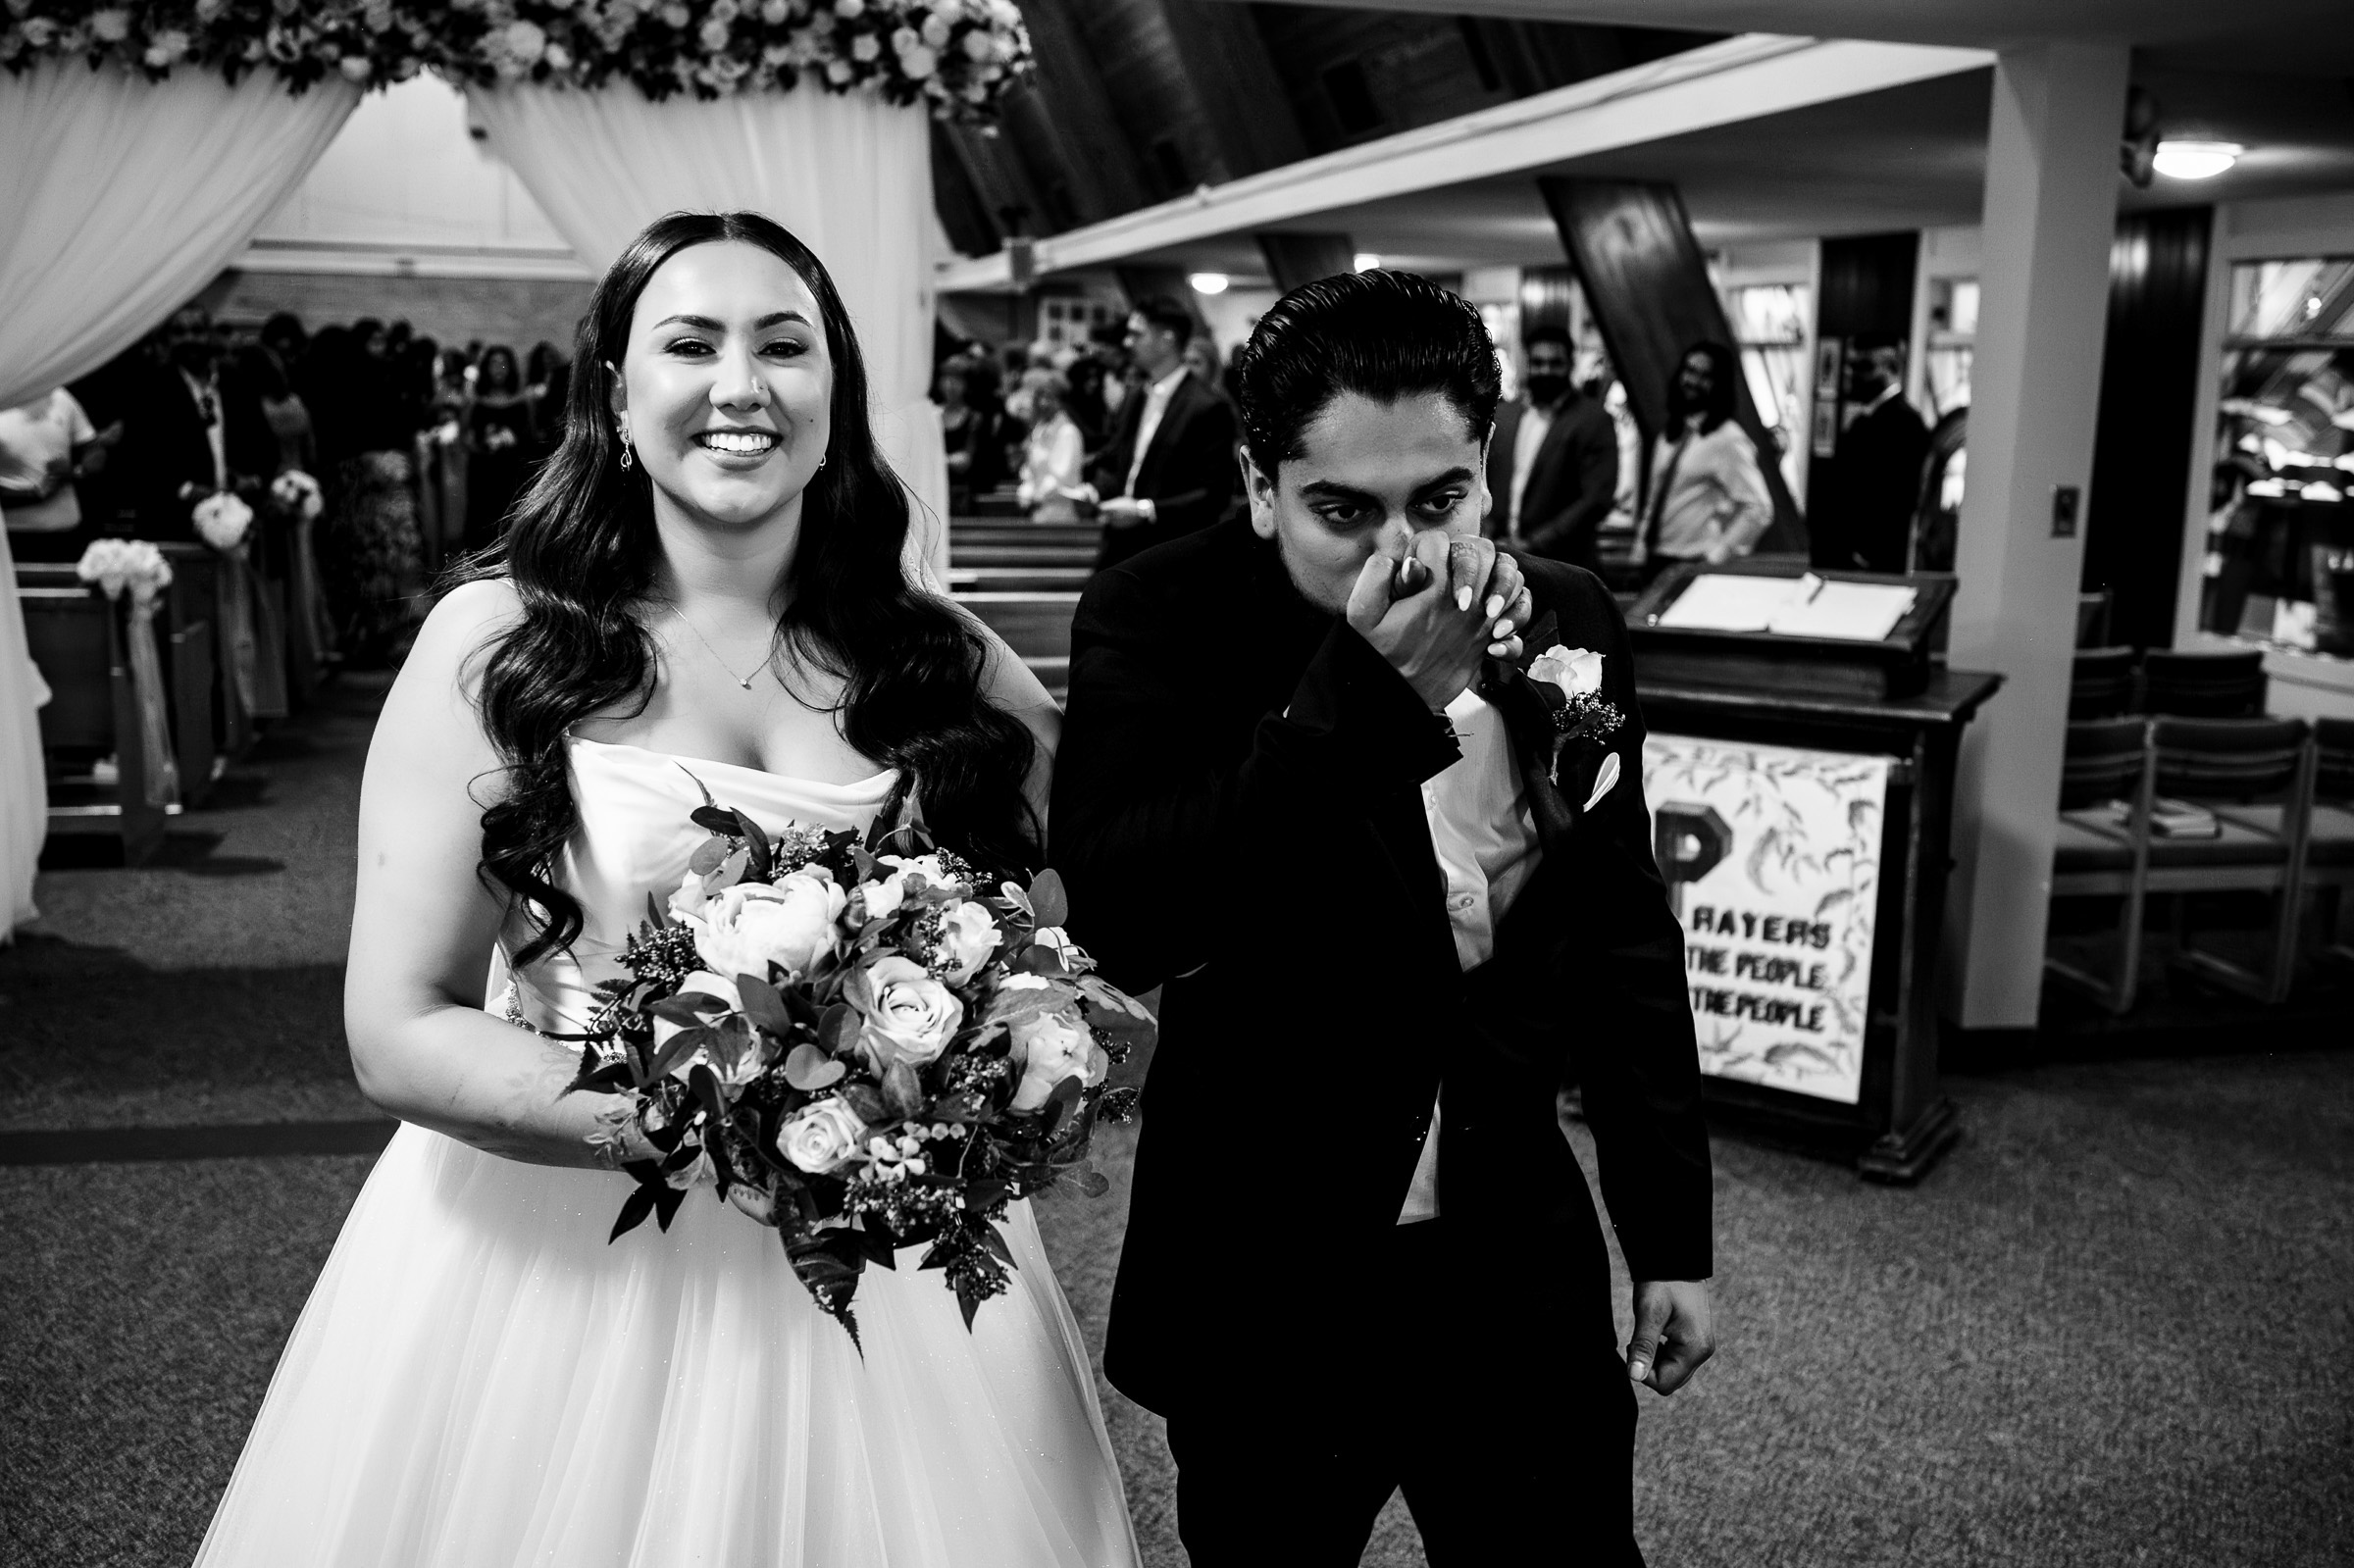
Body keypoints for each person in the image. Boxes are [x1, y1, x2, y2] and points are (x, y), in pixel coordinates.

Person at [191, 212, 1139, 1567]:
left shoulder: (947, 657)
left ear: (837, 403)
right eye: (689, 344)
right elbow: (394, 1023)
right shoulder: (499, 644)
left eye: (785, 347)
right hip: (555, 1258)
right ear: (618, 400)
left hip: (886, 1275)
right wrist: (716, 1116)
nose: (741, 386)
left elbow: (1131, 872)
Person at [1052, 269, 1714, 1565]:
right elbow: (1125, 918)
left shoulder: (1569, 614)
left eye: (1442, 499)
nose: (1402, 551)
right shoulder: (1157, 613)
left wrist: (1671, 1232)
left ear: (1487, 472)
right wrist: (1361, 690)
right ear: (1259, 485)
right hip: (1265, 1268)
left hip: (1514, 1254)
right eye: (1343, 510)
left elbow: (1624, 935)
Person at [1083, 296, 1239, 570]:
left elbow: (1213, 493)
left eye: (1136, 334)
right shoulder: (1135, 396)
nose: (1127, 343)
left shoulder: (1207, 407)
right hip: (1119, 546)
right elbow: (1118, 460)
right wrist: (1094, 490)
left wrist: (1146, 510)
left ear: (1167, 337)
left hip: (1171, 551)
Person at [1636, 339, 1772, 587]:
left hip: (1694, 560)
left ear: (1719, 385)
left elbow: (1759, 508)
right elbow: (1655, 497)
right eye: (1689, 371)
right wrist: (1640, 544)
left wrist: (1716, 556)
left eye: (1705, 375)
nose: (1693, 381)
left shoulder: (1728, 438)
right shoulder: (1670, 433)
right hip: (1656, 558)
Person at [1485, 323, 1618, 571]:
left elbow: (1596, 499)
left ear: (1570, 365)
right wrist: (1490, 533)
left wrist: (1532, 545)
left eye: (1555, 363)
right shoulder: (1505, 415)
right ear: (1527, 364)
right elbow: (1487, 478)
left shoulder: (1593, 419)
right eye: (1538, 362)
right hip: (1501, 557)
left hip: (1565, 563)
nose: (1545, 370)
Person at [1813, 341, 1929, 575]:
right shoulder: (1867, 420)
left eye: (1864, 366)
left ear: (1891, 369)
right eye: (1851, 366)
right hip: (1847, 554)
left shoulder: (1905, 423)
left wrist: (1863, 552)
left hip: (1871, 559)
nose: (1853, 374)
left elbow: (1899, 496)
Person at [0, 386, 109, 562]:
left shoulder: (62, 397)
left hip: (64, 531)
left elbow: (92, 447)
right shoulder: (4, 395)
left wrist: (79, 470)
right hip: (8, 534)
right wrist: (32, 494)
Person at [466, 343, 537, 551]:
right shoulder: (475, 401)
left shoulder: (524, 399)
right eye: (494, 363)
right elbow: (466, 438)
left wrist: (512, 439)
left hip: (512, 471)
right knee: (483, 525)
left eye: (503, 363)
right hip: (483, 471)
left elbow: (532, 435)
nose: (498, 368)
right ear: (485, 367)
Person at [1013, 366, 1087, 522]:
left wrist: (1038, 495)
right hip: (1038, 511)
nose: (1044, 403)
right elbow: (1030, 470)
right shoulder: (1039, 430)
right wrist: (1026, 490)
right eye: (1041, 397)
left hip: (1061, 512)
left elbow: (1061, 477)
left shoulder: (1068, 432)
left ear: (1061, 401)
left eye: (1050, 398)